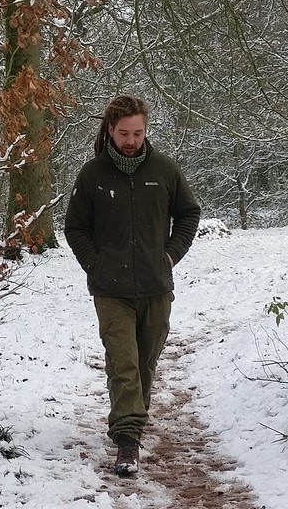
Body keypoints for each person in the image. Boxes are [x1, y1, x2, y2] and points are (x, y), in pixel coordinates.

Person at [62, 95, 201, 477]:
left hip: (156, 286)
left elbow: (189, 214)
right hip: (111, 290)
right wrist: (95, 264)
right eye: (124, 133)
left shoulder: (164, 170)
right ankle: (128, 438)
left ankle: (130, 422)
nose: (131, 140)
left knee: (144, 364)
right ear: (110, 130)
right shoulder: (93, 175)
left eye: (137, 133)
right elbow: (75, 227)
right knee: (124, 363)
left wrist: (170, 254)